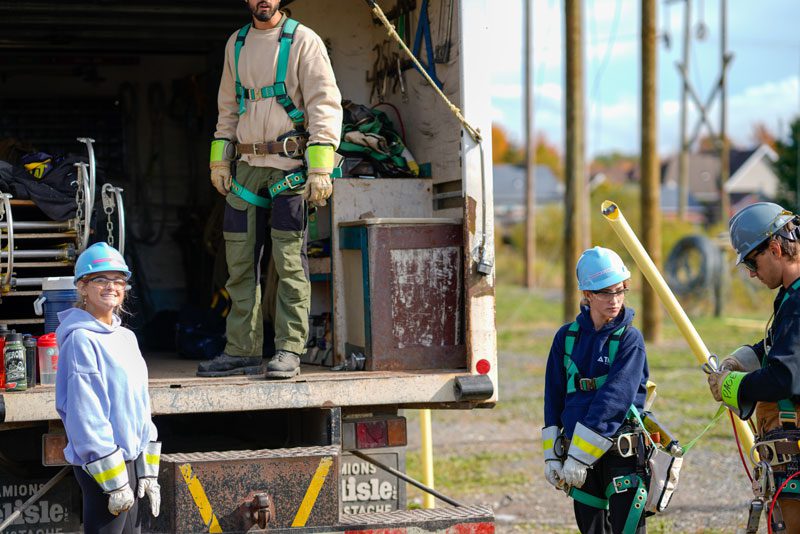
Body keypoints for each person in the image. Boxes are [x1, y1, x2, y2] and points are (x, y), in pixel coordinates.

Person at [198, 0, 342, 379]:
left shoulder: (303, 41)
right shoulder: (238, 43)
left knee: (289, 263)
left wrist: (320, 168)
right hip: (246, 169)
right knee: (239, 264)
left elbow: (324, 104)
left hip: (290, 170)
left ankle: (289, 350)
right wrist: (219, 160)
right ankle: (241, 349)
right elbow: (227, 107)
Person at [55, 242, 161, 533]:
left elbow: (141, 406)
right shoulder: (80, 340)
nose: (111, 286)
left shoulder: (126, 337)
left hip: (131, 464)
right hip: (102, 468)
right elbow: (86, 414)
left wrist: (148, 472)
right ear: (83, 287)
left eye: (118, 280)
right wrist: (115, 484)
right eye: (100, 279)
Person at [543, 247, 650, 533]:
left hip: (621, 457)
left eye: (620, 291)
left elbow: (613, 399)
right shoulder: (566, 338)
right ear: (587, 295)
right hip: (580, 456)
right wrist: (552, 453)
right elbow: (553, 396)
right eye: (605, 293)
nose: (615, 300)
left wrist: (577, 456)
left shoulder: (630, 339)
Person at [708, 201, 800, 529]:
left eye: (752, 261)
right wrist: (746, 357)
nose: (751, 272)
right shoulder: (791, 296)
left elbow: (785, 377)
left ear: (775, 248)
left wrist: (733, 385)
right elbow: (787, 346)